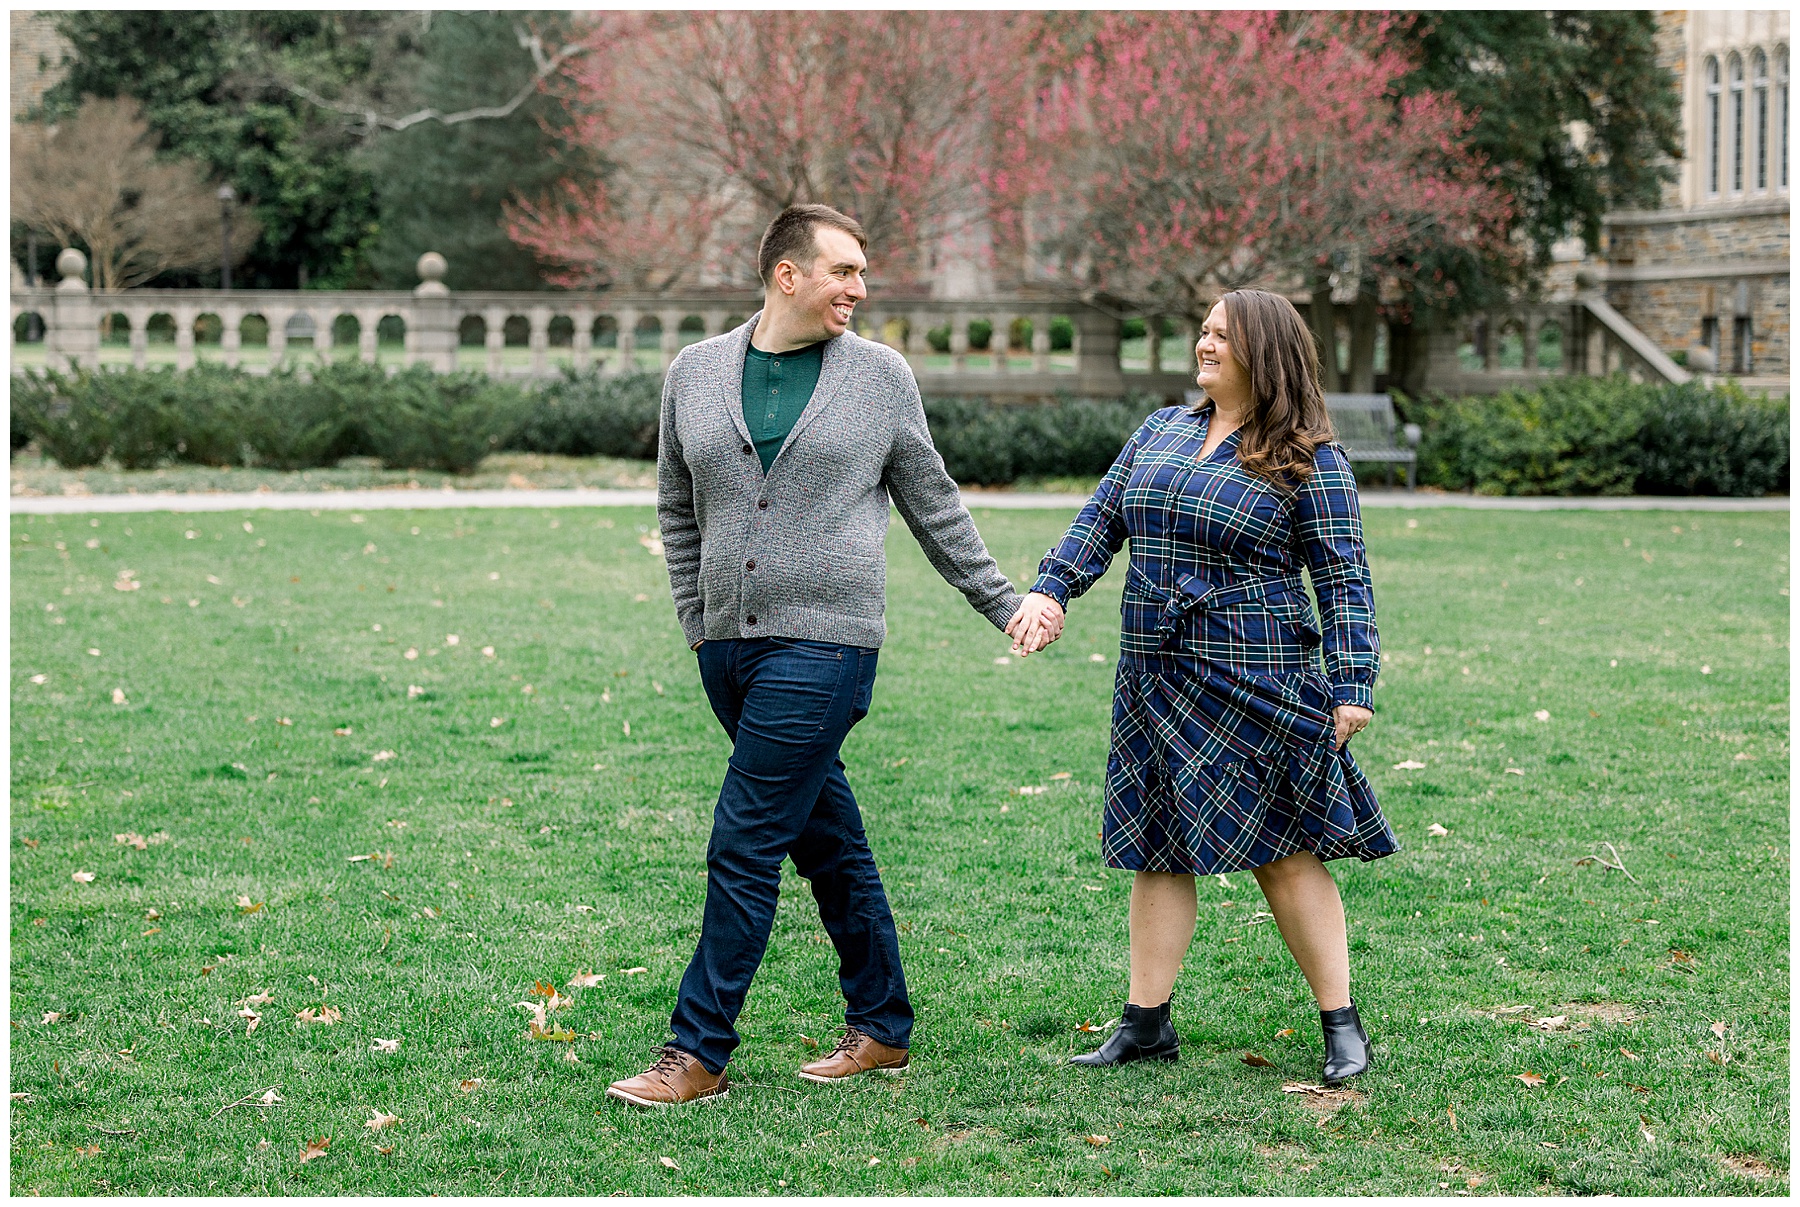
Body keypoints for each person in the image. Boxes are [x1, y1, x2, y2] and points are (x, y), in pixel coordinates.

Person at [607, 204, 1025, 1108]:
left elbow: (932, 501)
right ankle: (882, 1026)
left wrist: (1002, 601)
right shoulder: (696, 371)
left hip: (827, 644)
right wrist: (697, 621)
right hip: (729, 646)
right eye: (844, 272)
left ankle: (698, 1050)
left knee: (747, 836)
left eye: (863, 273)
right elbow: (677, 510)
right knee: (826, 839)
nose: (860, 289)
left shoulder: (879, 377)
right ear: (786, 274)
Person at [1009, 289, 1397, 1084]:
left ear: (1266, 351)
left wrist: (1352, 681)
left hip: (1259, 672)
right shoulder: (1162, 430)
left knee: (1283, 849)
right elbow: (1101, 517)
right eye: (1205, 330)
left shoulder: (1309, 459)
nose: (1205, 342)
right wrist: (1053, 588)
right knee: (1159, 843)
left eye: (1223, 333)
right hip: (1154, 669)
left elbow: (1345, 577)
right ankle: (1145, 1023)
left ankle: (1341, 1021)